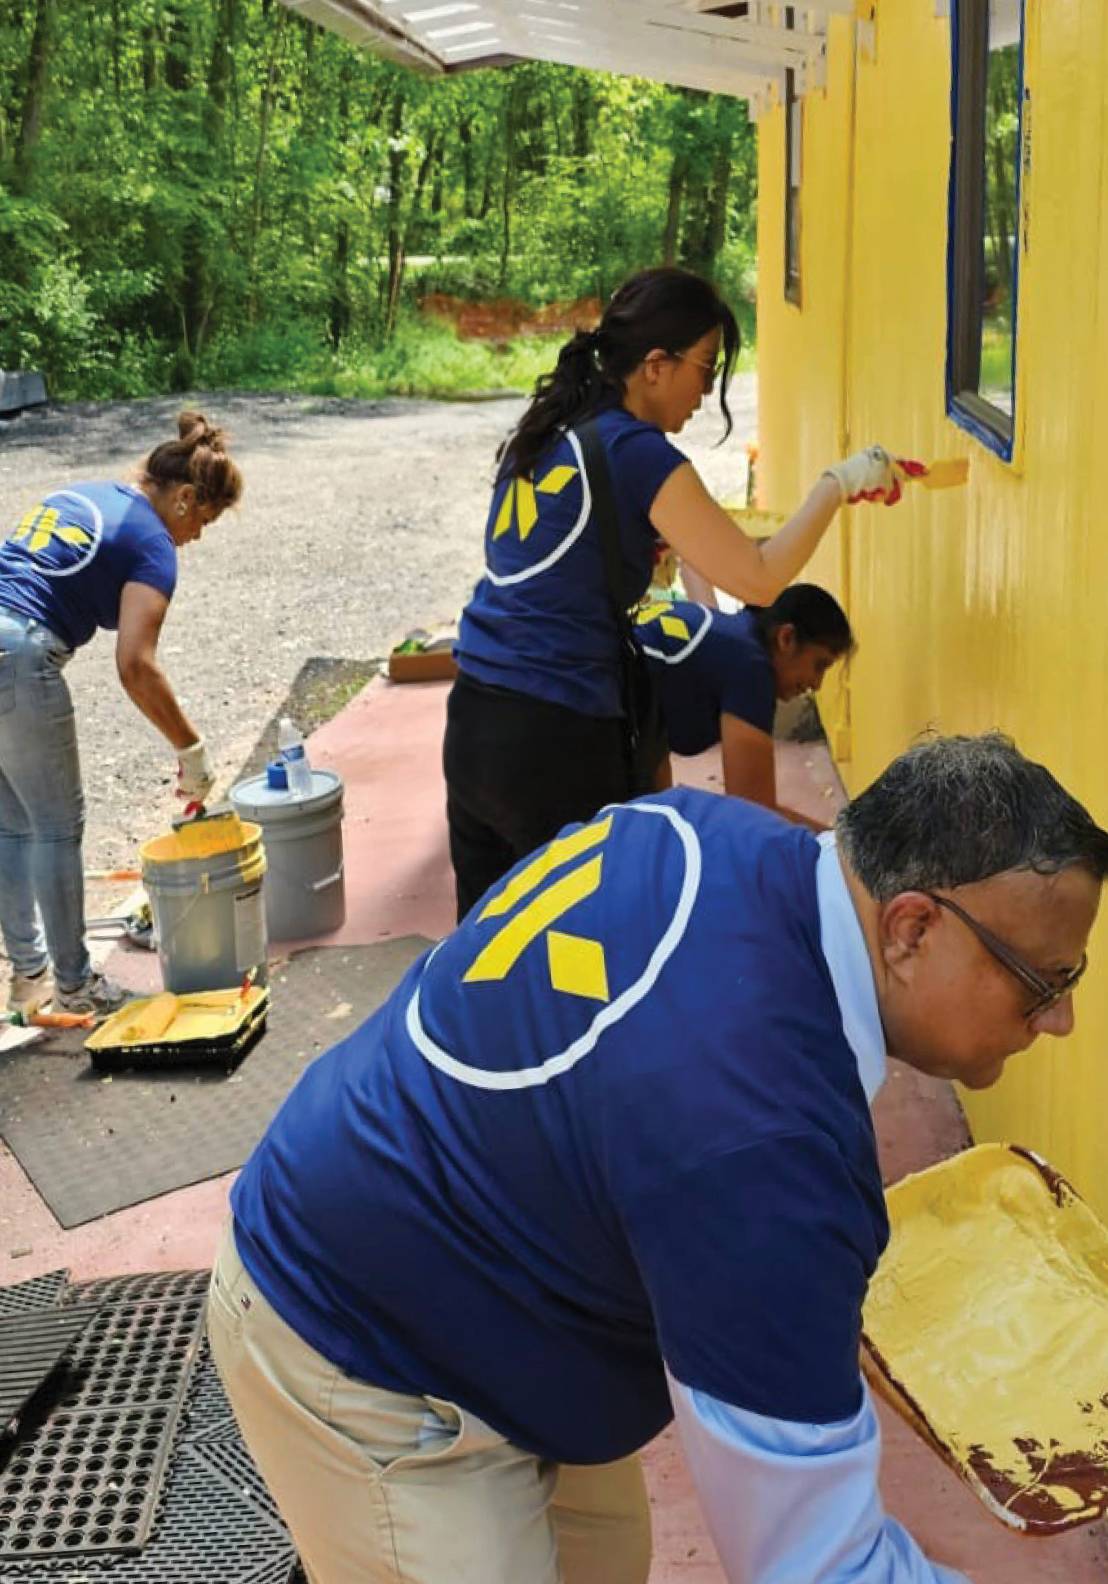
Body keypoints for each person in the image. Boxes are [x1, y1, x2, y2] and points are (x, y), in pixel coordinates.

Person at [209, 732, 1106, 1584]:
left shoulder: (720, 830)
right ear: (911, 930)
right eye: (1044, 982)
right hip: (364, 1349)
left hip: (450, 1236)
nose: (1059, 1019)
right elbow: (819, 1565)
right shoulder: (762, 1144)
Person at [443, 264, 902, 920]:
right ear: (656, 365)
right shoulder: (637, 452)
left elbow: (551, 560)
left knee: (488, 956)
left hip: (476, 721)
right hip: (556, 734)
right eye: (705, 368)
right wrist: (839, 482)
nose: (707, 391)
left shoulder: (556, 428)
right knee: (588, 955)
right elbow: (759, 577)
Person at [0, 411, 242, 1016]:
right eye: (204, 520)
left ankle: (29, 979)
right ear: (185, 498)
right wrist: (191, 750)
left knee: (12, 825)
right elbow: (136, 665)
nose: (198, 537)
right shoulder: (154, 542)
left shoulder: (89, 494)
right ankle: (78, 987)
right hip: (19, 652)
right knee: (56, 826)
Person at [635, 582, 854, 828]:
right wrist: (838, 848)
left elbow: (652, 759)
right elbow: (751, 812)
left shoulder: (732, 640)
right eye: (819, 665)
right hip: (595, 702)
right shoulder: (750, 666)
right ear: (786, 638)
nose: (817, 684)